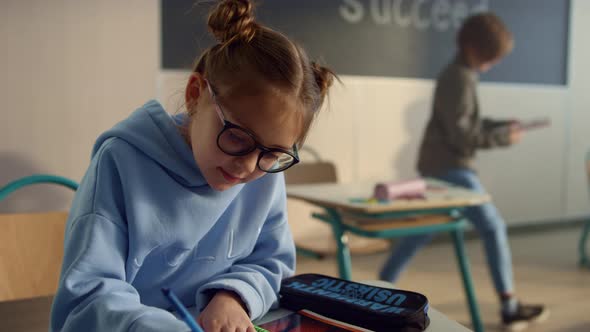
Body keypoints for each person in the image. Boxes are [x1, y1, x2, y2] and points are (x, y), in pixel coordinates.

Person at [49, 1, 336, 331]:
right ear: (195, 94)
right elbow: (88, 298)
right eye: (238, 137)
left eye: (272, 153)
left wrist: (232, 297)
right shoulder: (121, 164)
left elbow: (271, 263)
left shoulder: (264, 173)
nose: (247, 166)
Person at [379, 12, 548, 331]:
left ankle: (379, 287)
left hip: (441, 165)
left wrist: (500, 124)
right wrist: (503, 137)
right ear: (475, 48)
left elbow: (467, 124)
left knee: (419, 232)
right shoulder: (458, 77)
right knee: (493, 226)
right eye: (492, 56)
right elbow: (463, 138)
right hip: (449, 168)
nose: (493, 63)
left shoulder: (462, 75)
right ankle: (509, 306)